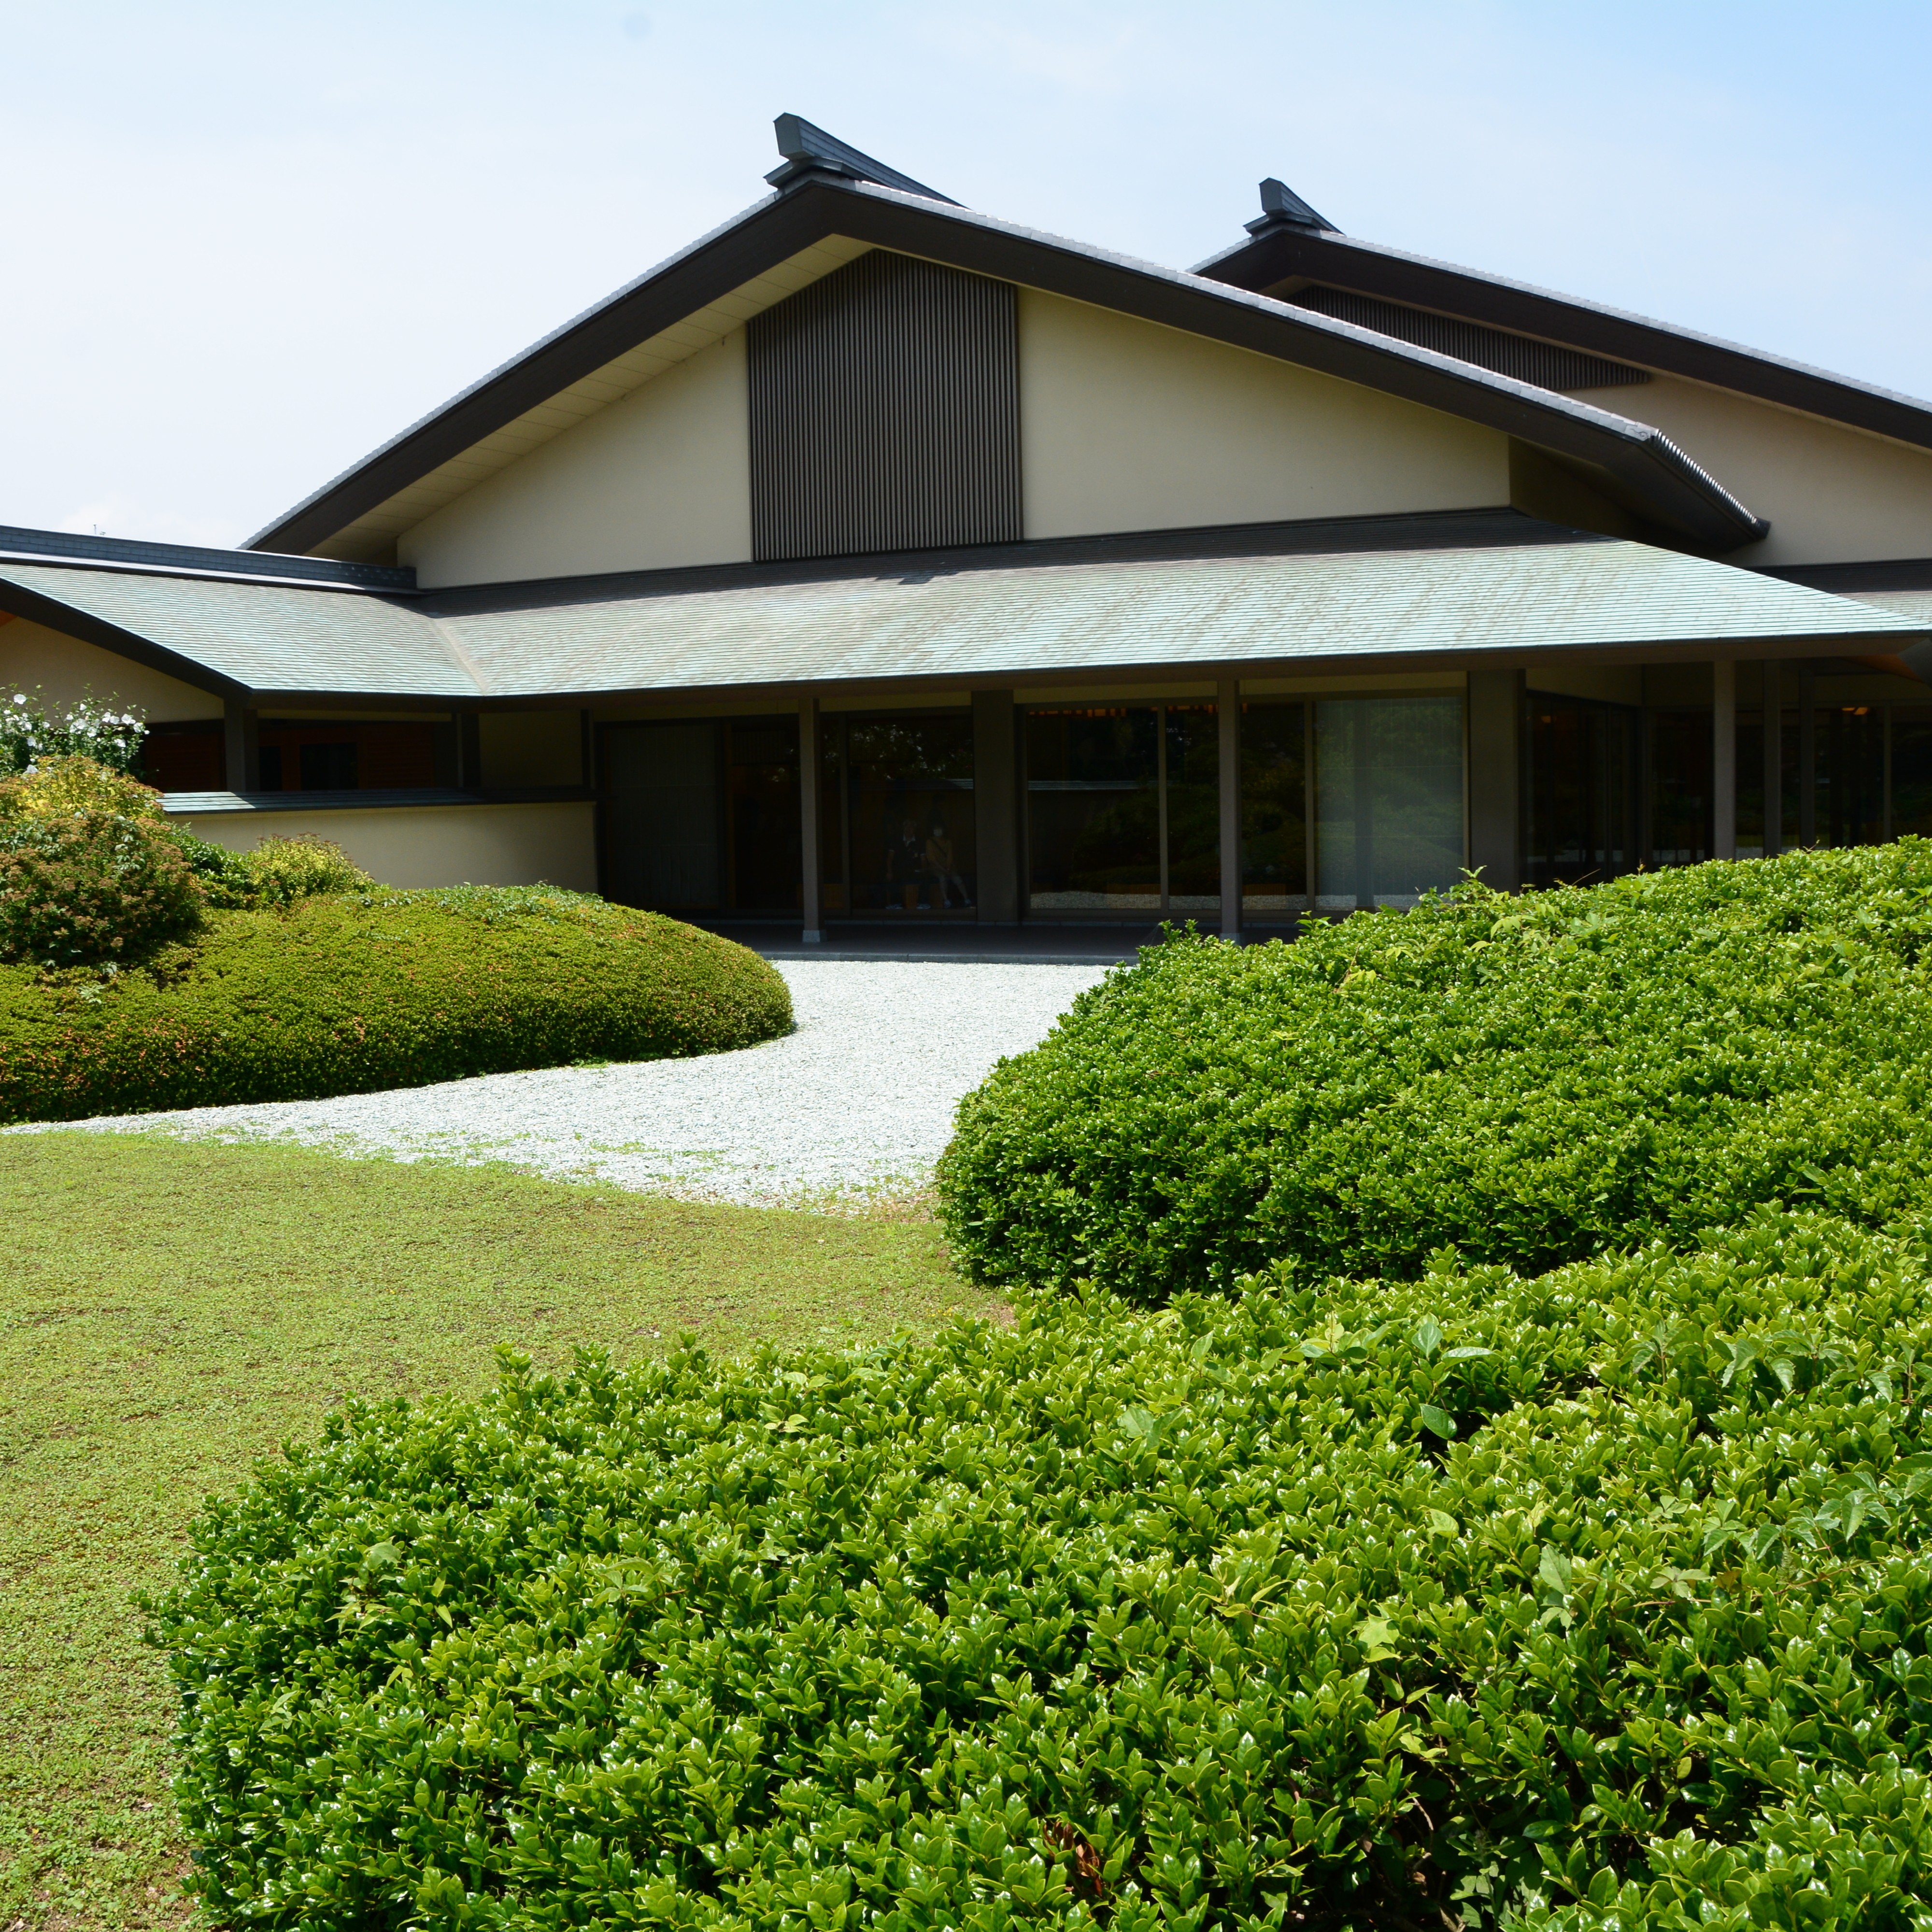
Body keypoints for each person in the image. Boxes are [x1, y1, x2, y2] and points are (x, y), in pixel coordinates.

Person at [885, 815, 928, 910]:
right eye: (906, 826)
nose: (909, 829)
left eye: (911, 826)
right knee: (891, 878)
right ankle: (896, 904)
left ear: (915, 829)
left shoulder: (920, 842)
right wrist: (890, 871)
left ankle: (923, 903)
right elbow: (890, 858)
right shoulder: (896, 840)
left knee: (926, 879)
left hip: (914, 870)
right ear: (903, 828)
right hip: (899, 869)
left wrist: (924, 869)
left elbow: (923, 859)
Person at [926, 820, 972, 908]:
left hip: (949, 867)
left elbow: (950, 856)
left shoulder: (948, 842)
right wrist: (942, 869)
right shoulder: (930, 842)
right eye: (936, 830)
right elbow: (932, 859)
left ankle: (966, 899)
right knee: (942, 878)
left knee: (958, 879)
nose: (937, 832)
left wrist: (948, 868)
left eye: (939, 830)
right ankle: (946, 900)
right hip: (937, 867)